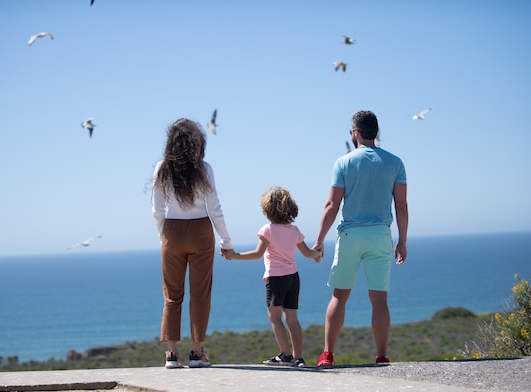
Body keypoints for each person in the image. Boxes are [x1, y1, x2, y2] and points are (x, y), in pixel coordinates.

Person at [313, 110, 408, 367]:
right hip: (380, 235)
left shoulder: (343, 163)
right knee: (379, 300)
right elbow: (401, 205)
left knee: (339, 296)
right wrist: (403, 241)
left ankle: (327, 355)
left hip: (350, 235)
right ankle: (381, 356)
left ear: (355, 132)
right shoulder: (395, 163)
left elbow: (332, 205)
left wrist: (319, 239)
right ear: (375, 132)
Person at [151, 118, 234, 369]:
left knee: (172, 295)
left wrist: (163, 236)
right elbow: (215, 208)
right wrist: (226, 240)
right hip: (201, 231)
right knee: (200, 294)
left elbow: (157, 210)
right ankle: (197, 353)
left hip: (172, 231)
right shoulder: (204, 168)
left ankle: (171, 354)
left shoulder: (162, 168)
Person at [222, 186, 321, 367]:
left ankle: (285, 355)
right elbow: (308, 253)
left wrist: (233, 256)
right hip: (293, 277)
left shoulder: (267, 229)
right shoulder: (295, 230)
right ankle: (299, 358)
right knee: (292, 318)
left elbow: (257, 254)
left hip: (276, 278)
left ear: (268, 210)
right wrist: (318, 254)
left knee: (274, 317)